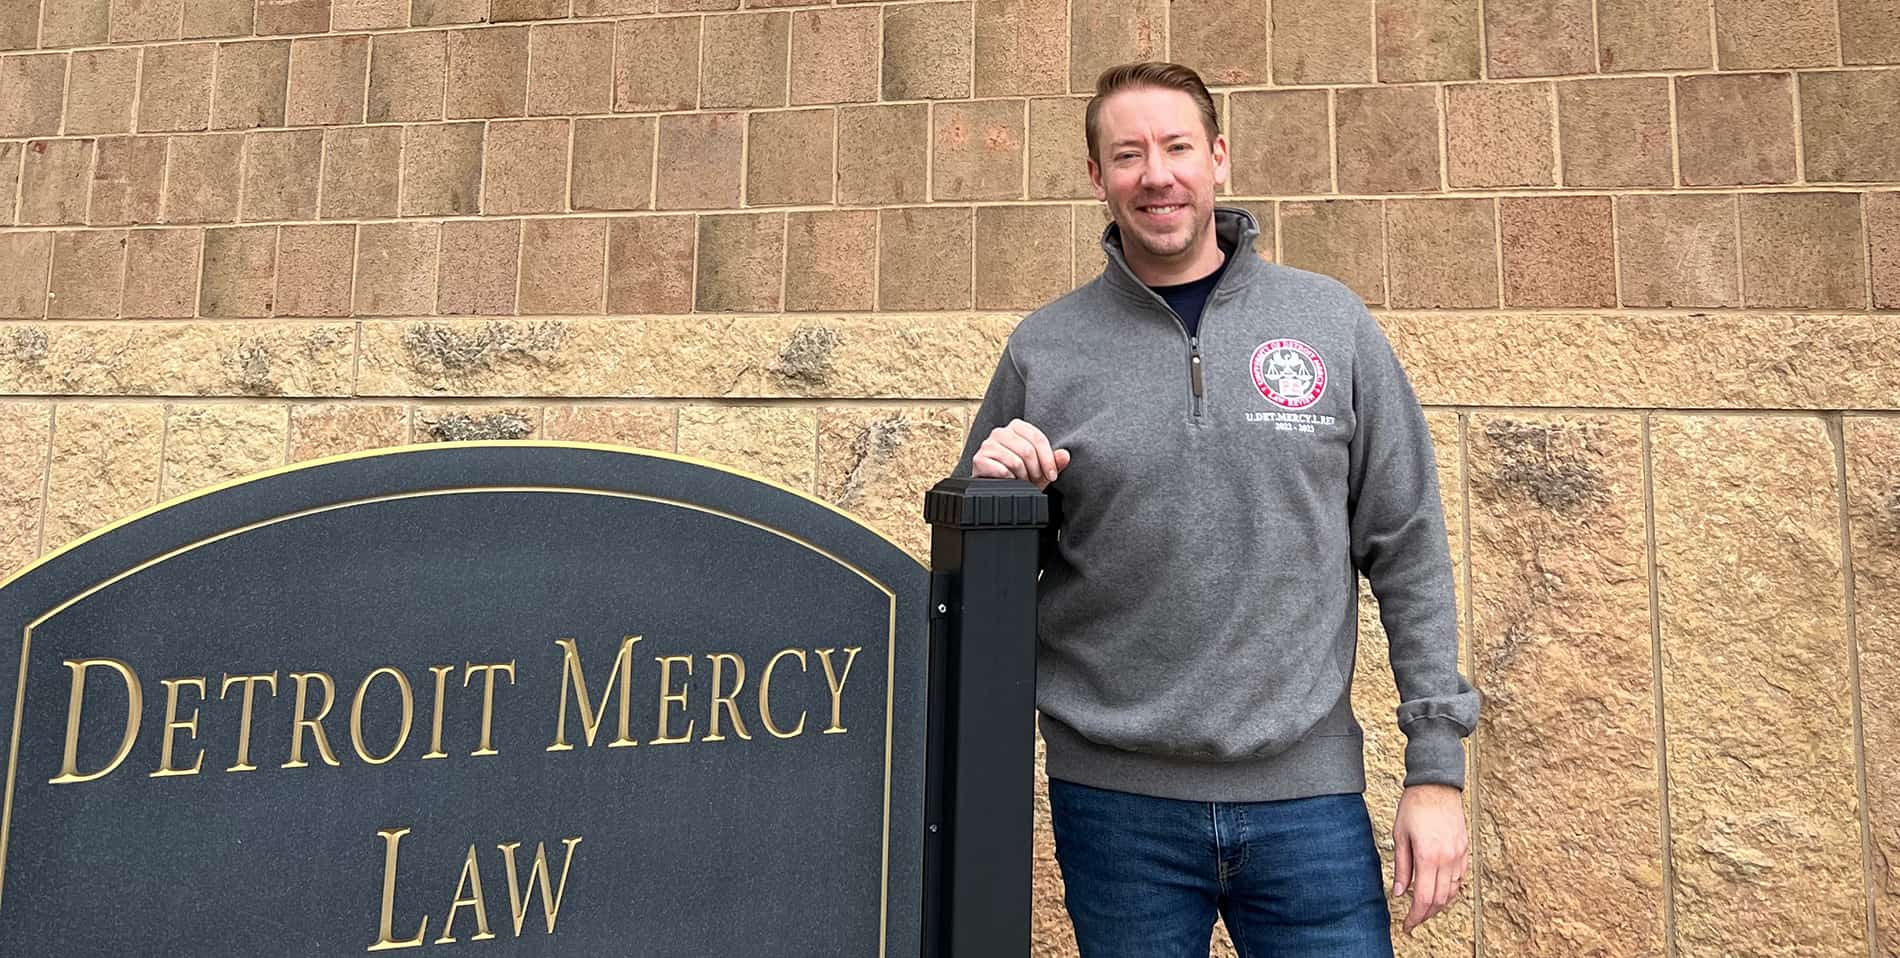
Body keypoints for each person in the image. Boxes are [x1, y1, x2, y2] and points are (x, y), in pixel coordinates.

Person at [953, 61, 1481, 957]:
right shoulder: (1045, 350)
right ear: (1097, 178)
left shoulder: (1330, 323)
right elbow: (973, 580)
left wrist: (1436, 772)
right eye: (1128, 154)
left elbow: (1408, 546)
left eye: (1177, 147)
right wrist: (994, 492)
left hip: (1307, 803)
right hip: (1116, 808)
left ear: (1218, 159)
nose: (1155, 174)